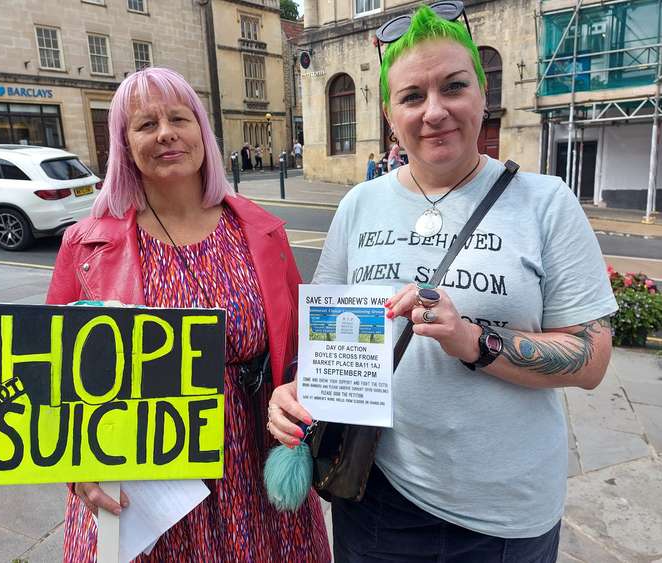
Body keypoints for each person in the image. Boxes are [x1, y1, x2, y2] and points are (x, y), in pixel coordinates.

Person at [267, 6, 617, 562]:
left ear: (481, 92)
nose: (435, 112)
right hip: (377, 500)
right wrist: (295, 394)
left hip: (504, 517)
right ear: (388, 113)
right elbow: (328, 344)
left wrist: (471, 339)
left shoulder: (547, 202)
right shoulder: (360, 205)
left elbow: (592, 357)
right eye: (412, 96)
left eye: (453, 87)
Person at [47, 67, 330, 562]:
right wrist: (76, 467)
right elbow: (52, 378)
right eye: (145, 124)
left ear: (202, 129)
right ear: (123, 143)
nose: (166, 133)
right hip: (147, 482)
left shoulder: (262, 232)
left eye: (180, 117)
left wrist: (302, 391)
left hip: (254, 468)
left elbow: (309, 347)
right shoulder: (85, 244)